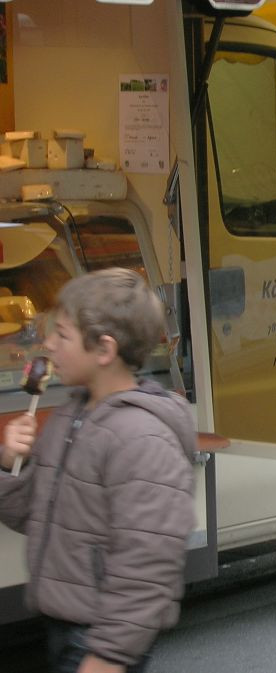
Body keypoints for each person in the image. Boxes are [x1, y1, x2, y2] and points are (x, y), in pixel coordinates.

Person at [0, 268, 196, 673]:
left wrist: (108, 656)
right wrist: (6, 463)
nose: (48, 344)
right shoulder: (72, 415)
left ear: (104, 351)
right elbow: (36, 512)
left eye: (63, 335)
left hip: (99, 638)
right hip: (62, 624)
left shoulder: (142, 439)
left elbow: (149, 563)